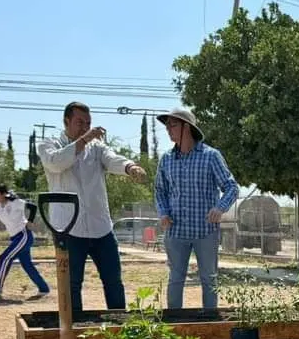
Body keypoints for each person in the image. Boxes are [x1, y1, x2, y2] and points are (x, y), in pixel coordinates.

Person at [37, 101, 147, 316]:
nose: (85, 127)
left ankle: (119, 328)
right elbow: (55, 163)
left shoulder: (96, 147)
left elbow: (112, 158)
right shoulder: (49, 144)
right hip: (68, 230)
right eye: (80, 122)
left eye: (88, 123)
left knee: (113, 281)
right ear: (66, 121)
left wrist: (129, 167)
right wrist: (84, 139)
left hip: (101, 228)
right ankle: (73, 333)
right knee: (72, 285)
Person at [154, 108, 239, 310]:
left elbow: (231, 187)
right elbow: (159, 190)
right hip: (176, 231)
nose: (168, 130)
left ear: (187, 127)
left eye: (172, 125)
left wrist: (220, 208)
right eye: (166, 126)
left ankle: (209, 320)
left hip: (205, 231)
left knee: (209, 279)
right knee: (175, 278)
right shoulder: (166, 159)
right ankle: (174, 323)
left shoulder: (211, 156)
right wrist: (163, 213)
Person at [0, 186, 50, 299]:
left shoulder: (16, 202)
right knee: (27, 265)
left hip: (23, 236)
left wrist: (30, 221)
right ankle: (44, 288)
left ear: (3, 194)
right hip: (15, 238)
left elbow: (33, 207)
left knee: (4, 258)